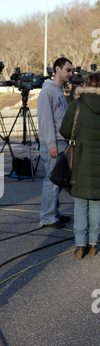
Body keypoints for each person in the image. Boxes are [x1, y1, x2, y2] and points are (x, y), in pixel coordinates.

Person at [60, 72, 100, 258]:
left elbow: (65, 131)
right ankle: (93, 244)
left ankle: (80, 246)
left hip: (80, 162)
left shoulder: (77, 105)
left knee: (80, 205)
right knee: (96, 205)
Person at [37, 57, 73, 228]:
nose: (71, 74)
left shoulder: (59, 90)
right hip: (53, 143)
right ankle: (47, 217)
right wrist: (51, 144)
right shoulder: (47, 91)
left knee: (57, 180)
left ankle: (54, 213)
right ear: (57, 69)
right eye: (68, 70)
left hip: (61, 141)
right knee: (51, 181)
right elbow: (45, 120)